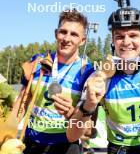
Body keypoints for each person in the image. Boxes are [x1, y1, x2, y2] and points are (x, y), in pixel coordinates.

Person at [67, 0, 140, 154]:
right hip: (117, 149)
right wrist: (88, 105)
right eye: (119, 36)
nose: (126, 42)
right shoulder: (99, 76)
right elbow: (75, 135)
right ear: (113, 40)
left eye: (133, 35)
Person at [12, 9, 94, 154]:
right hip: (31, 143)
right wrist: (7, 132)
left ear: (82, 41)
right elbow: (22, 103)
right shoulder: (37, 62)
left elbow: (88, 131)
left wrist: (71, 114)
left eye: (74, 34)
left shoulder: (88, 72)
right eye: (63, 32)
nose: (67, 38)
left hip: (66, 146)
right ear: (56, 33)